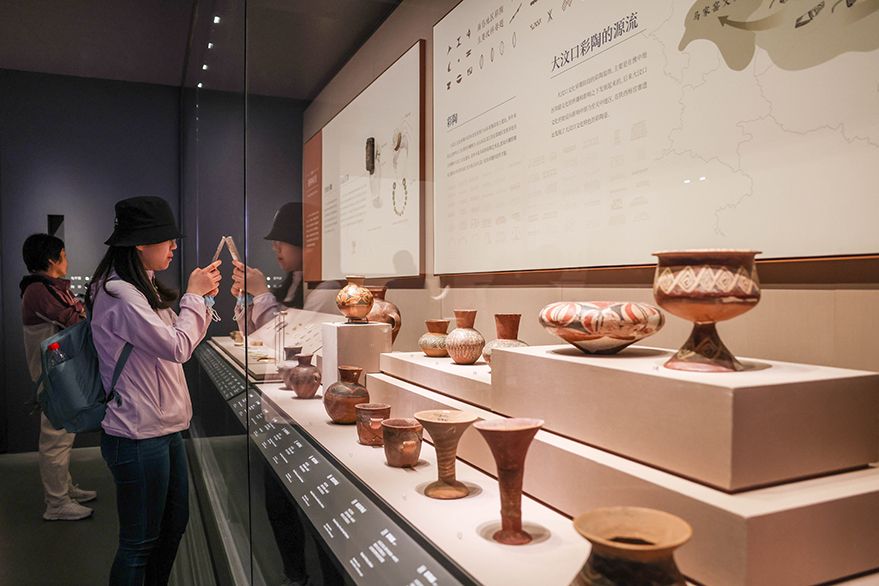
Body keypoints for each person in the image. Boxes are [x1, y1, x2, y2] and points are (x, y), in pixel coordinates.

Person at [87, 196, 221, 585]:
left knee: (172, 525)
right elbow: (177, 347)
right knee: (139, 543)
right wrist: (194, 295)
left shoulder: (138, 286)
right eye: (167, 239)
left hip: (161, 428)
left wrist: (201, 298)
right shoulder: (119, 293)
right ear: (141, 243)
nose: (174, 247)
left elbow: (178, 339)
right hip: (137, 433)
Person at [19, 233, 96, 521]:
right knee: (55, 438)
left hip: (60, 374)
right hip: (53, 377)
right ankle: (57, 502)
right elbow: (74, 318)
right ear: (52, 259)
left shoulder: (45, 288)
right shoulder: (39, 290)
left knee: (63, 435)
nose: (67, 260)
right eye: (63, 255)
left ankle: (64, 489)